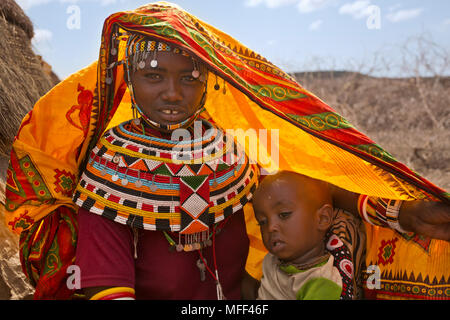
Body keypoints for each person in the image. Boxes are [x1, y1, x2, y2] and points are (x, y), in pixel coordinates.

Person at [4, 2, 450, 300]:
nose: (173, 92)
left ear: (210, 80)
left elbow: (308, 195)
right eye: (155, 76)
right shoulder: (108, 171)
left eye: (189, 77)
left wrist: (399, 214)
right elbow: (109, 287)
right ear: (129, 79)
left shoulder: (238, 149)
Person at [253, 171, 357, 300]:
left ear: (322, 219)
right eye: (262, 222)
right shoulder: (272, 261)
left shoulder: (321, 285)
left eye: (284, 215)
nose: (270, 227)